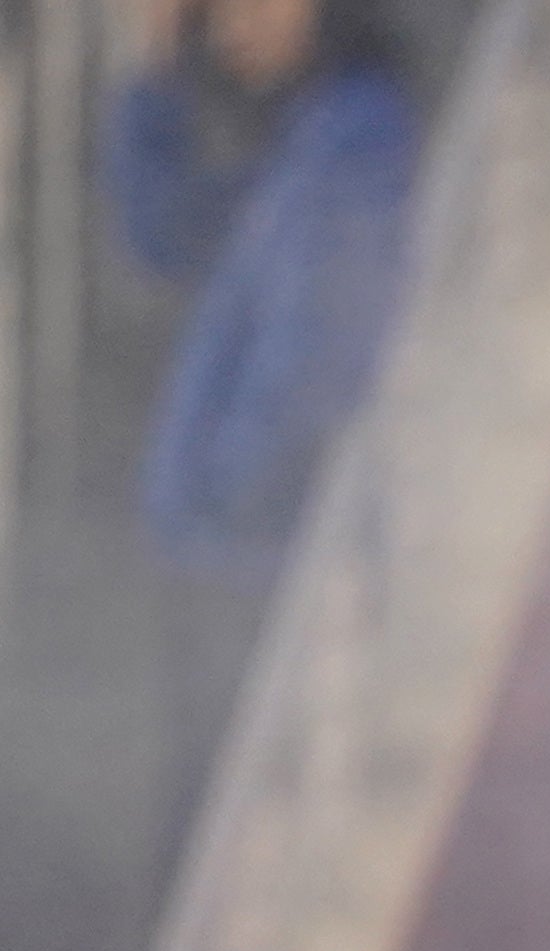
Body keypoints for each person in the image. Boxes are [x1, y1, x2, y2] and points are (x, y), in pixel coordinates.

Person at [97, 0, 421, 573]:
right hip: (230, 555)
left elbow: (316, 350)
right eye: (214, 14)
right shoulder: (305, 142)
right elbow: (169, 233)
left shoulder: (358, 130)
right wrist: (157, 71)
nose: (232, 27)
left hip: (257, 563)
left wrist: (225, 494)